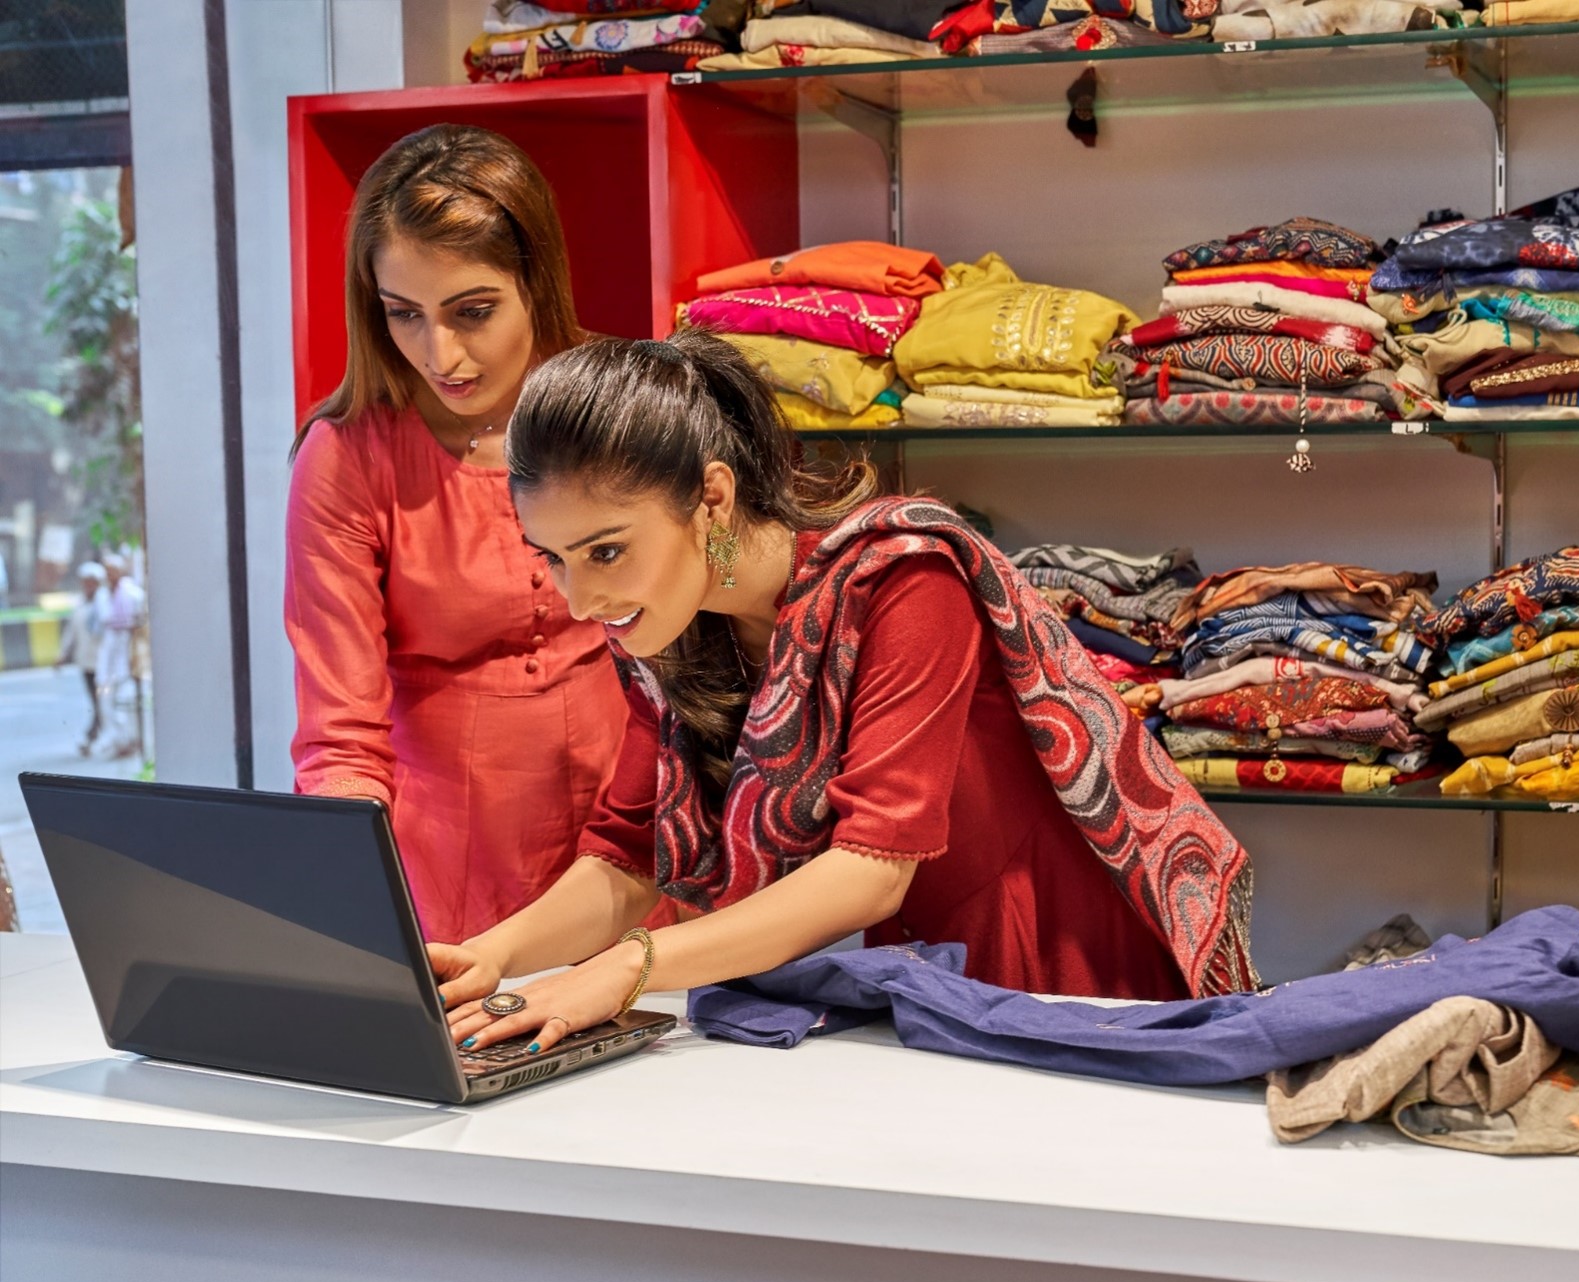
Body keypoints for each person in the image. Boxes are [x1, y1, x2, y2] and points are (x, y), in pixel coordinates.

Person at [433, 332, 1257, 1056]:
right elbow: (629, 854)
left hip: (1036, 973)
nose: (578, 599)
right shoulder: (673, 633)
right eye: (551, 558)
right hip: (880, 987)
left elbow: (871, 870)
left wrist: (627, 965)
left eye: (605, 552)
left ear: (712, 496)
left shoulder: (901, 582)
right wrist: (493, 956)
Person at [285, 124, 633, 945]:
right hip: (452, 860)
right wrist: (346, 895)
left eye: (472, 312)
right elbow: (338, 734)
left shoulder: (619, 408)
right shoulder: (346, 457)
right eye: (403, 314)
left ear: (536, 281)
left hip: (639, 830)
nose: (440, 353)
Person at [95, 552, 145, 758]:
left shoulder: (133, 593)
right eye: (107, 571)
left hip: (127, 648)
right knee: (105, 695)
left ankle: (128, 739)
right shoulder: (102, 594)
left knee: (126, 698)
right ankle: (115, 739)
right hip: (109, 650)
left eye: (113, 571)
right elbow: (103, 620)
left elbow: (140, 619)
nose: (110, 575)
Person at [58, 561, 106, 755]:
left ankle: (92, 737)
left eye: (91, 582)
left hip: (104, 662)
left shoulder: (105, 603)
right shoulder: (79, 604)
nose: (88, 586)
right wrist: (62, 654)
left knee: (102, 702)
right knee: (96, 702)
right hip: (86, 662)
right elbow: (71, 632)